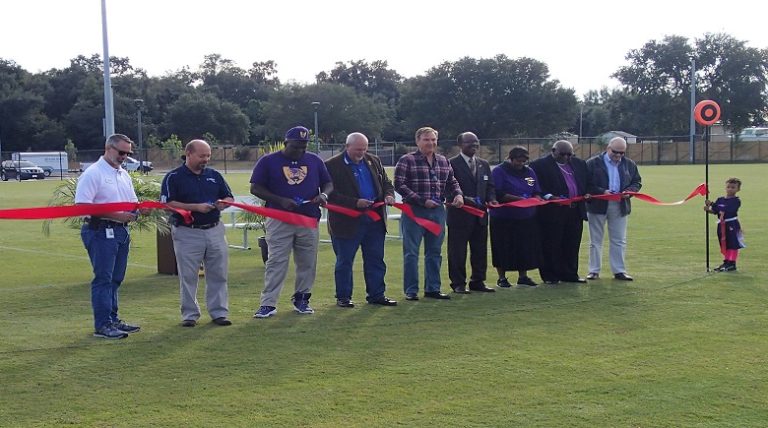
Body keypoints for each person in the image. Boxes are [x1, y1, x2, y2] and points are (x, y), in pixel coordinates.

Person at [250, 126, 333, 317]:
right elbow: (255, 187)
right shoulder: (268, 161)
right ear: (286, 143)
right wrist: (280, 200)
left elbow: (328, 183)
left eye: (303, 147)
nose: (300, 151)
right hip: (280, 219)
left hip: (308, 218)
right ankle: (268, 303)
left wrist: (324, 195)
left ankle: (302, 298)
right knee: (277, 261)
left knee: (307, 261)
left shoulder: (314, 160)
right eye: (296, 146)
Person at [161, 139, 234, 327]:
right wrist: (195, 208)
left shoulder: (214, 175)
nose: (206, 159)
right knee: (188, 275)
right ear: (189, 153)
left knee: (218, 273)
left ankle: (219, 312)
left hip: (215, 230)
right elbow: (167, 204)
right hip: (188, 232)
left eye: (208, 155)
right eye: (202, 156)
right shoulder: (174, 177)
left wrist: (223, 203)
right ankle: (190, 314)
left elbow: (228, 196)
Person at [75, 134, 141, 339]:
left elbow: (132, 201)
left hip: (121, 231)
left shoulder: (123, 174)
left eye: (128, 154)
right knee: (104, 279)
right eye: (121, 152)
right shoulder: (93, 173)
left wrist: (139, 211)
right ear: (108, 148)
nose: (124, 157)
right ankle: (103, 325)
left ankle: (113, 319)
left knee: (116, 278)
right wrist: (117, 215)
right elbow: (82, 206)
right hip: (100, 231)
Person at [325, 132, 398, 307]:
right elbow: (329, 194)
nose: (361, 153)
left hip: (374, 220)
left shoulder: (374, 160)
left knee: (375, 259)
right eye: (358, 149)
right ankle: (343, 297)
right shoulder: (331, 165)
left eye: (364, 149)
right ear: (347, 146)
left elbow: (386, 182)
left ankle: (376, 295)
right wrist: (354, 203)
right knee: (345, 261)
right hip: (346, 222)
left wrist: (388, 195)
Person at [394, 126, 464, 300]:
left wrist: (458, 194)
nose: (430, 143)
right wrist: (421, 200)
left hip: (437, 211)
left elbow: (452, 181)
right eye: (426, 140)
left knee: (434, 252)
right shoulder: (407, 160)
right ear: (418, 141)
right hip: (414, 211)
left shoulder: (443, 161)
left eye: (433, 140)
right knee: (411, 252)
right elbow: (399, 185)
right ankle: (411, 290)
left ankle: (433, 288)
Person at [529, 140, 589, 285]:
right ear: (553, 150)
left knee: (572, 243)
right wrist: (550, 196)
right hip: (552, 211)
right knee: (551, 244)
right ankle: (550, 275)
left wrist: (586, 193)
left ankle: (570, 273)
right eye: (563, 154)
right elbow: (535, 186)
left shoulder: (579, 164)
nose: (566, 157)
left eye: (570, 154)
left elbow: (586, 182)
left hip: (574, 210)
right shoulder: (538, 165)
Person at [585, 137, 642, 281]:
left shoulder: (629, 164)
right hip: (598, 205)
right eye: (616, 152)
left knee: (619, 239)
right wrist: (602, 191)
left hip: (620, 205)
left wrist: (629, 191)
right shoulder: (592, 163)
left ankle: (619, 271)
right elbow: (585, 184)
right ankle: (594, 271)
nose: (618, 156)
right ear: (608, 148)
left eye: (622, 153)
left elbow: (637, 181)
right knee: (595, 240)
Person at [447, 132, 497, 293]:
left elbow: (490, 187)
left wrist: (491, 198)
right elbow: (447, 188)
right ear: (460, 145)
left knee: (480, 251)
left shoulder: (484, 164)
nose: (474, 145)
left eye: (476, 142)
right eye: (469, 143)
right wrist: (466, 200)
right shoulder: (451, 164)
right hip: (460, 216)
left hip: (481, 216)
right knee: (458, 252)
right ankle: (458, 283)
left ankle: (478, 281)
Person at [490, 146, 543, 287]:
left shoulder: (529, 172)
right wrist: (519, 199)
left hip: (525, 217)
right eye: (518, 161)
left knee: (524, 247)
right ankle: (502, 278)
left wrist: (536, 198)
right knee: (502, 247)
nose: (521, 164)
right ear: (511, 159)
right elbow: (498, 193)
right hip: (503, 218)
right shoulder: (499, 171)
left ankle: (523, 277)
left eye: (524, 161)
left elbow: (536, 189)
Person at [704, 177, 744, 272]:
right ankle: (726, 262)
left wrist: (712, 204)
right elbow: (716, 211)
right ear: (725, 188)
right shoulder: (720, 199)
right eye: (728, 187)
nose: (730, 189)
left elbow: (728, 210)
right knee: (724, 243)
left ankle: (732, 263)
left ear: (738, 189)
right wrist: (708, 210)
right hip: (721, 225)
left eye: (733, 187)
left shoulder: (736, 201)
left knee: (733, 244)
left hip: (732, 224)